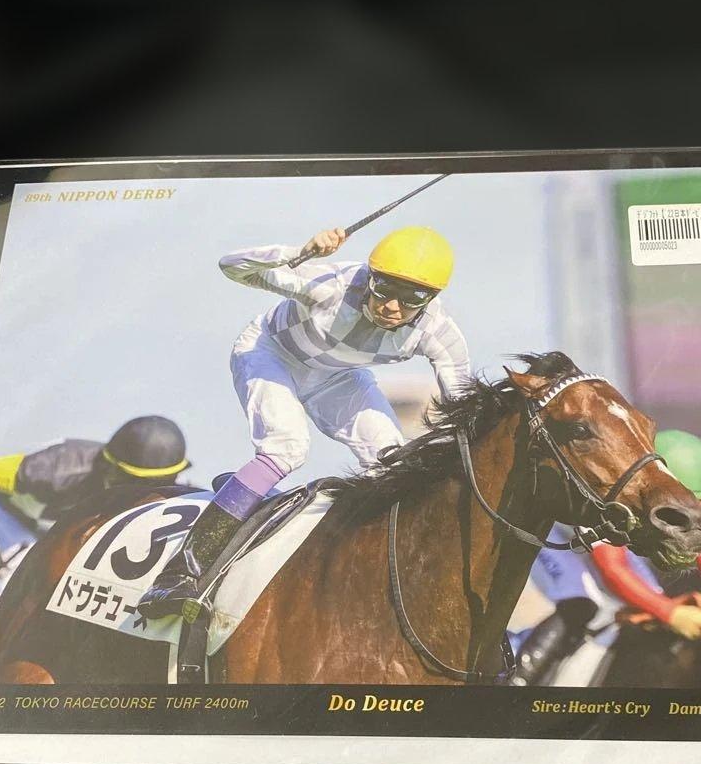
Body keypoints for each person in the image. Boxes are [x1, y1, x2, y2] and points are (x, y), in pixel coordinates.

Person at [139, 225, 471, 620]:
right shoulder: (330, 285)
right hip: (271, 354)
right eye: (384, 289)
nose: (393, 307)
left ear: (431, 298)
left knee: (393, 461)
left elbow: (464, 409)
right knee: (287, 447)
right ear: (371, 277)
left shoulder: (439, 331)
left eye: (412, 298)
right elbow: (232, 266)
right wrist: (299, 251)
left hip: (336, 376)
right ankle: (178, 574)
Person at [512, 429, 701, 686]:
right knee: (585, 603)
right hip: (549, 531)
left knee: (649, 596)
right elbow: (613, 570)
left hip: (593, 542)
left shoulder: (697, 496)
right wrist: (670, 612)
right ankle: (516, 683)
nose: (694, 510)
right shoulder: (613, 494)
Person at [0, 415, 190, 578]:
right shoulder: (57, 470)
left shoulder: (148, 484)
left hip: (58, 528)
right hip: (12, 521)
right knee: (8, 586)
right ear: (114, 470)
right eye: (145, 484)